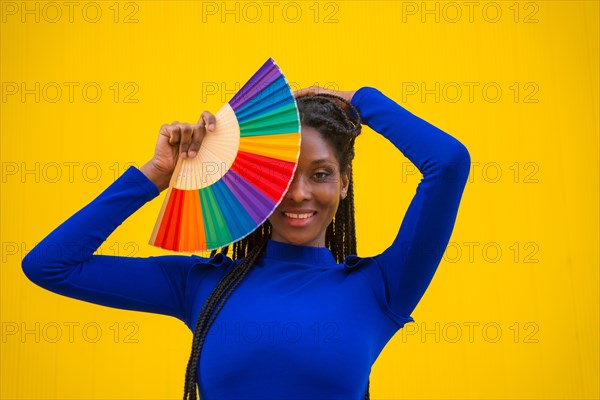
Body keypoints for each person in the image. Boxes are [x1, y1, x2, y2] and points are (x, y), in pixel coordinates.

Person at [22, 85, 471, 400]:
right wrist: (157, 174)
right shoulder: (201, 285)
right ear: (255, 185)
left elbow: (448, 163)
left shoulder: (383, 287)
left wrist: (359, 101)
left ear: (345, 183)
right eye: (280, 178)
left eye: (320, 174)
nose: (299, 194)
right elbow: (49, 266)